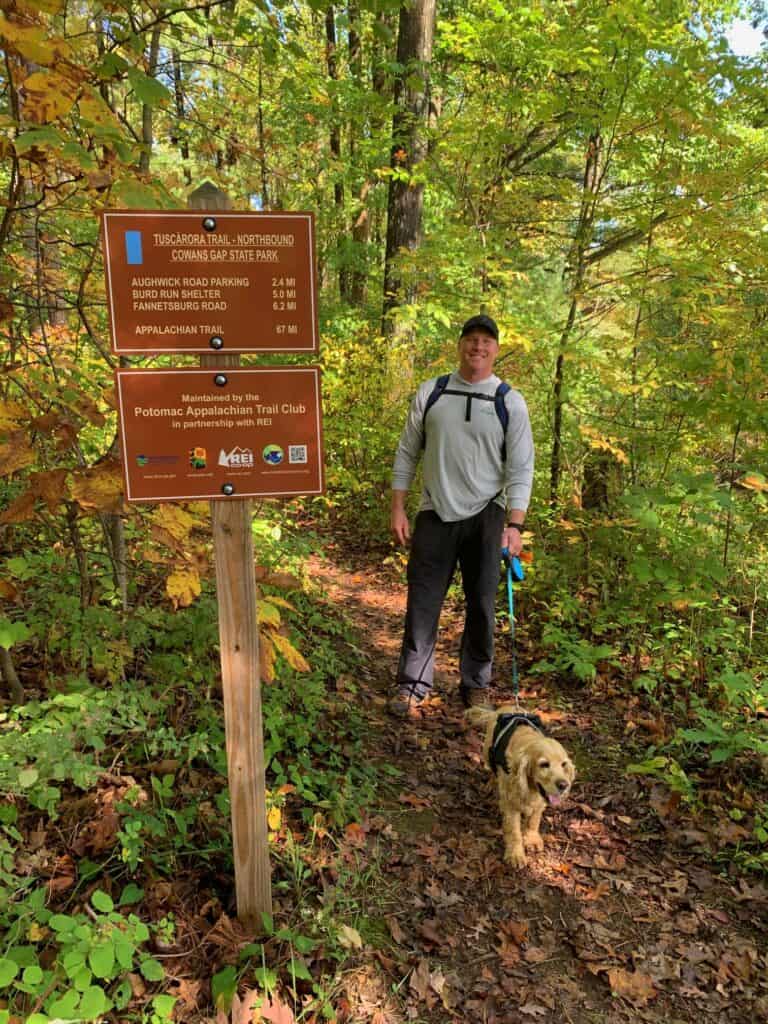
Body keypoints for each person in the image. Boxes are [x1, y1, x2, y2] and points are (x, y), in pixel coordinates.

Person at [389, 314, 534, 715]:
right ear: (460, 345)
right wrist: (398, 507)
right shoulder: (432, 392)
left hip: (488, 515)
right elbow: (407, 452)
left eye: (486, 341)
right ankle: (413, 684)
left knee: (482, 604)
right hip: (434, 511)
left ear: (496, 350)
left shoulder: (509, 401)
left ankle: (476, 685)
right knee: (423, 600)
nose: (478, 347)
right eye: (471, 339)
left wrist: (515, 526)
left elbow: (521, 468)